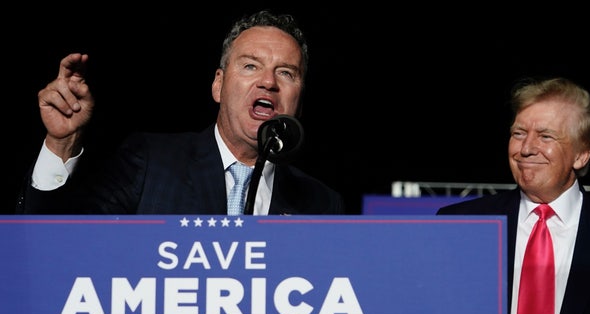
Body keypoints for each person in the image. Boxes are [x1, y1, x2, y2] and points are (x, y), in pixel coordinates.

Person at [16, 10, 344, 215]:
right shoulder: (150, 163)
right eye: (250, 66)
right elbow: (56, 249)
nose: (269, 82)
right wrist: (61, 145)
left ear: (298, 101)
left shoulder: (320, 205)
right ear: (218, 85)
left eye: (286, 73)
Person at [437, 77, 590, 314]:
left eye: (545, 136)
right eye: (519, 133)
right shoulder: (459, 225)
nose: (526, 148)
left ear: (581, 156)